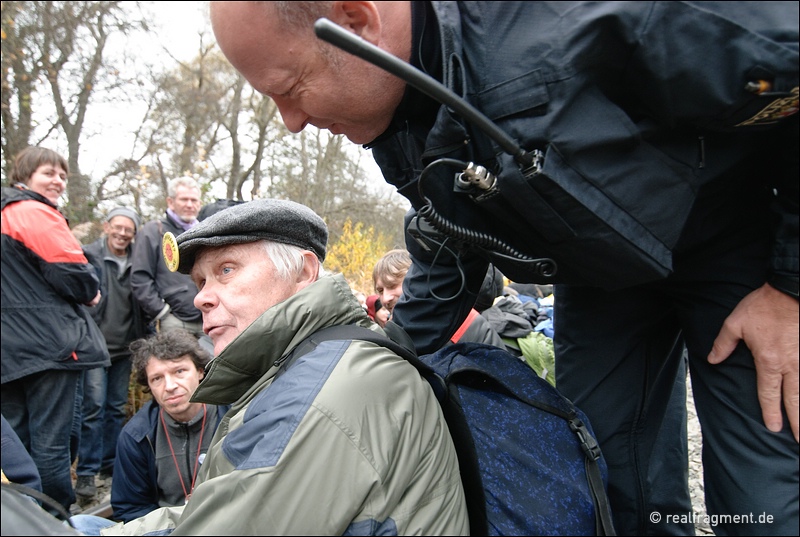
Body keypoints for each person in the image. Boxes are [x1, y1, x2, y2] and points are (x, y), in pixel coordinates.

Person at [209, 3, 799, 535]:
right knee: (609, 487)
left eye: (290, 87)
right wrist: (382, 357)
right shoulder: (400, 124)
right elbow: (447, 242)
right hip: (597, 275)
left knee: (762, 501)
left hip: (738, 248)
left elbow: (788, 58)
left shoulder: (581, 22)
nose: (288, 120)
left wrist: (789, 285)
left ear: (358, 21)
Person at [82, 198, 467, 535]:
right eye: (200, 281)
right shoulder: (307, 363)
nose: (201, 298)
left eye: (227, 270)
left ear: (302, 272)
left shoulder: (318, 394)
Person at [1, 146, 110, 514]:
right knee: (52, 444)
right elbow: (77, 277)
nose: (58, 181)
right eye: (49, 173)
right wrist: (92, 291)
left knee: (15, 443)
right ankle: (56, 517)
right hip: (50, 347)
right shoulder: (32, 212)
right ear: (24, 176)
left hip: (8, 352)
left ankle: (22, 518)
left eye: (62, 175)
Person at [110, 329, 227, 523]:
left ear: (200, 371)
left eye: (179, 371)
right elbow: (130, 508)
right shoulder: (137, 435)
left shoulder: (232, 415)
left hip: (228, 522)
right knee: (81, 524)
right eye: (157, 378)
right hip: (168, 528)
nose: (170, 386)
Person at [74, 207, 149, 502]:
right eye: (117, 227)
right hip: (94, 347)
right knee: (93, 408)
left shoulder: (137, 260)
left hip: (124, 347)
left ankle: (109, 466)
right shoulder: (88, 256)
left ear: (134, 233)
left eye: (128, 229)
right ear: (106, 227)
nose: (122, 233)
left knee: (115, 408)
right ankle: (87, 474)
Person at [130, 177, 212, 352]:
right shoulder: (154, 231)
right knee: (179, 372)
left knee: (209, 375)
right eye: (184, 199)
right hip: (175, 320)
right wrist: (162, 312)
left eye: (194, 200)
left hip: (207, 318)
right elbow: (140, 278)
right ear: (170, 202)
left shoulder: (205, 232)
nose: (189, 205)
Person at [373, 248, 503, 347]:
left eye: (392, 285)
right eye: (380, 290)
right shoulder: (392, 334)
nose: (385, 298)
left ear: (416, 280)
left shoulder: (467, 322)